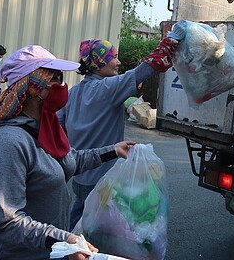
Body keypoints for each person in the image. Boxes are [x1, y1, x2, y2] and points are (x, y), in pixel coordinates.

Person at [0, 44, 136, 260]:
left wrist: (113, 150)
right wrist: (64, 239)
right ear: (31, 87)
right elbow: (7, 221)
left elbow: (70, 160)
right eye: (53, 79)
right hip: (9, 255)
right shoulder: (10, 142)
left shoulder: (47, 126)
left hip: (45, 251)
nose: (60, 86)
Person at [57, 37, 179, 230]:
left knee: (77, 222)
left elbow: (57, 125)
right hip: (103, 178)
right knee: (101, 231)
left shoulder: (73, 93)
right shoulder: (107, 88)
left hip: (79, 175)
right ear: (99, 63)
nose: (119, 62)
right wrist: (170, 46)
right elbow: (142, 72)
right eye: (114, 57)